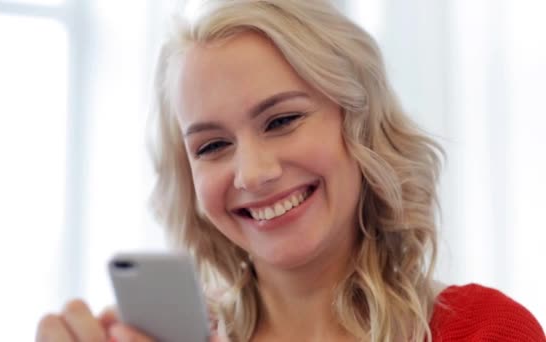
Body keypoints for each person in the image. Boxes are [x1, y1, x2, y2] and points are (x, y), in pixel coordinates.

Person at [36, 0, 546, 341]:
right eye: (212, 145)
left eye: (282, 120)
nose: (253, 173)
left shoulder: (485, 331)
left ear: (361, 127)